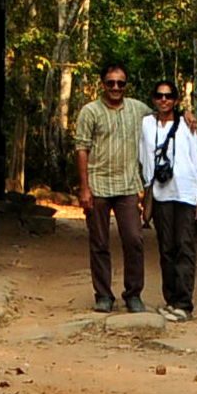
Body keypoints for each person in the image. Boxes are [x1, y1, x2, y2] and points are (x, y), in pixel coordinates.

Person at [72, 61, 151, 313]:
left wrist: (188, 117)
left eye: (120, 83)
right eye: (111, 83)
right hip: (98, 185)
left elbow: (164, 116)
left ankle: (133, 293)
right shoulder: (90, 112)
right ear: (102, 84)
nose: (116, 87)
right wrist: (84, 188)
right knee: (99, 243)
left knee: (134, 239)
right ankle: (103, 295)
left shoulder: (138, 110)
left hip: (128, 185)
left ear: (126, 85)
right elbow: (82, 149)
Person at [140, 80, 197, 319]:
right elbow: (145, 158)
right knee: (166, 247)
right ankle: (171, 299)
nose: (164, 100)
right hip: (160, 193)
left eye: (168, 96)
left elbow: (196, 159)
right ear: (153, 99)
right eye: (159, 96)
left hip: (186, 193)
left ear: (176, 100)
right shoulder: (147, 124)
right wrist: (146, 192)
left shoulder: (186, 125)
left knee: (184, 246)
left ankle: (184, 304)